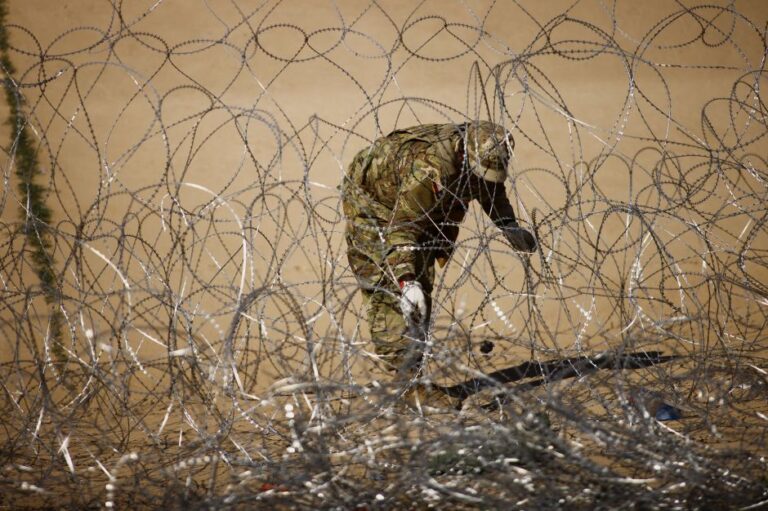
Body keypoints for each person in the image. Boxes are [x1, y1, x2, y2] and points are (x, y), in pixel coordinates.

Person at [341, 121, 536, 410]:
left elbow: (488, 188)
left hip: (418, 209)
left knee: (421, 286)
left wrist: (507, 225)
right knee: (392, 293)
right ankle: (408, 387)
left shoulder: (480, 150)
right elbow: (402, 229)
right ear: (464, 157)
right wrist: (406, 281)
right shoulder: (429, 169)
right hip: (375, 210)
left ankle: (411, 376)